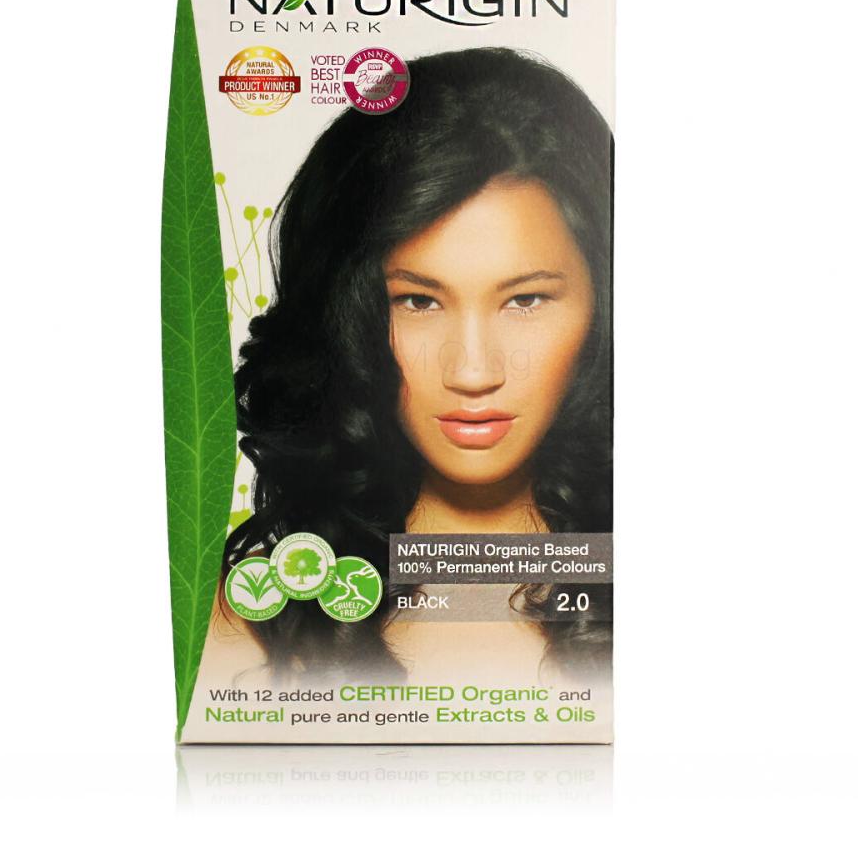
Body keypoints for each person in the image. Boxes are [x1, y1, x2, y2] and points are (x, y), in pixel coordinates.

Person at [219, 46, 612, 685]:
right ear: (347, 314)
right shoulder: (247, 627)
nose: (474, 372)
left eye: (525, 300)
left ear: (606, 302)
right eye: (419, 301)